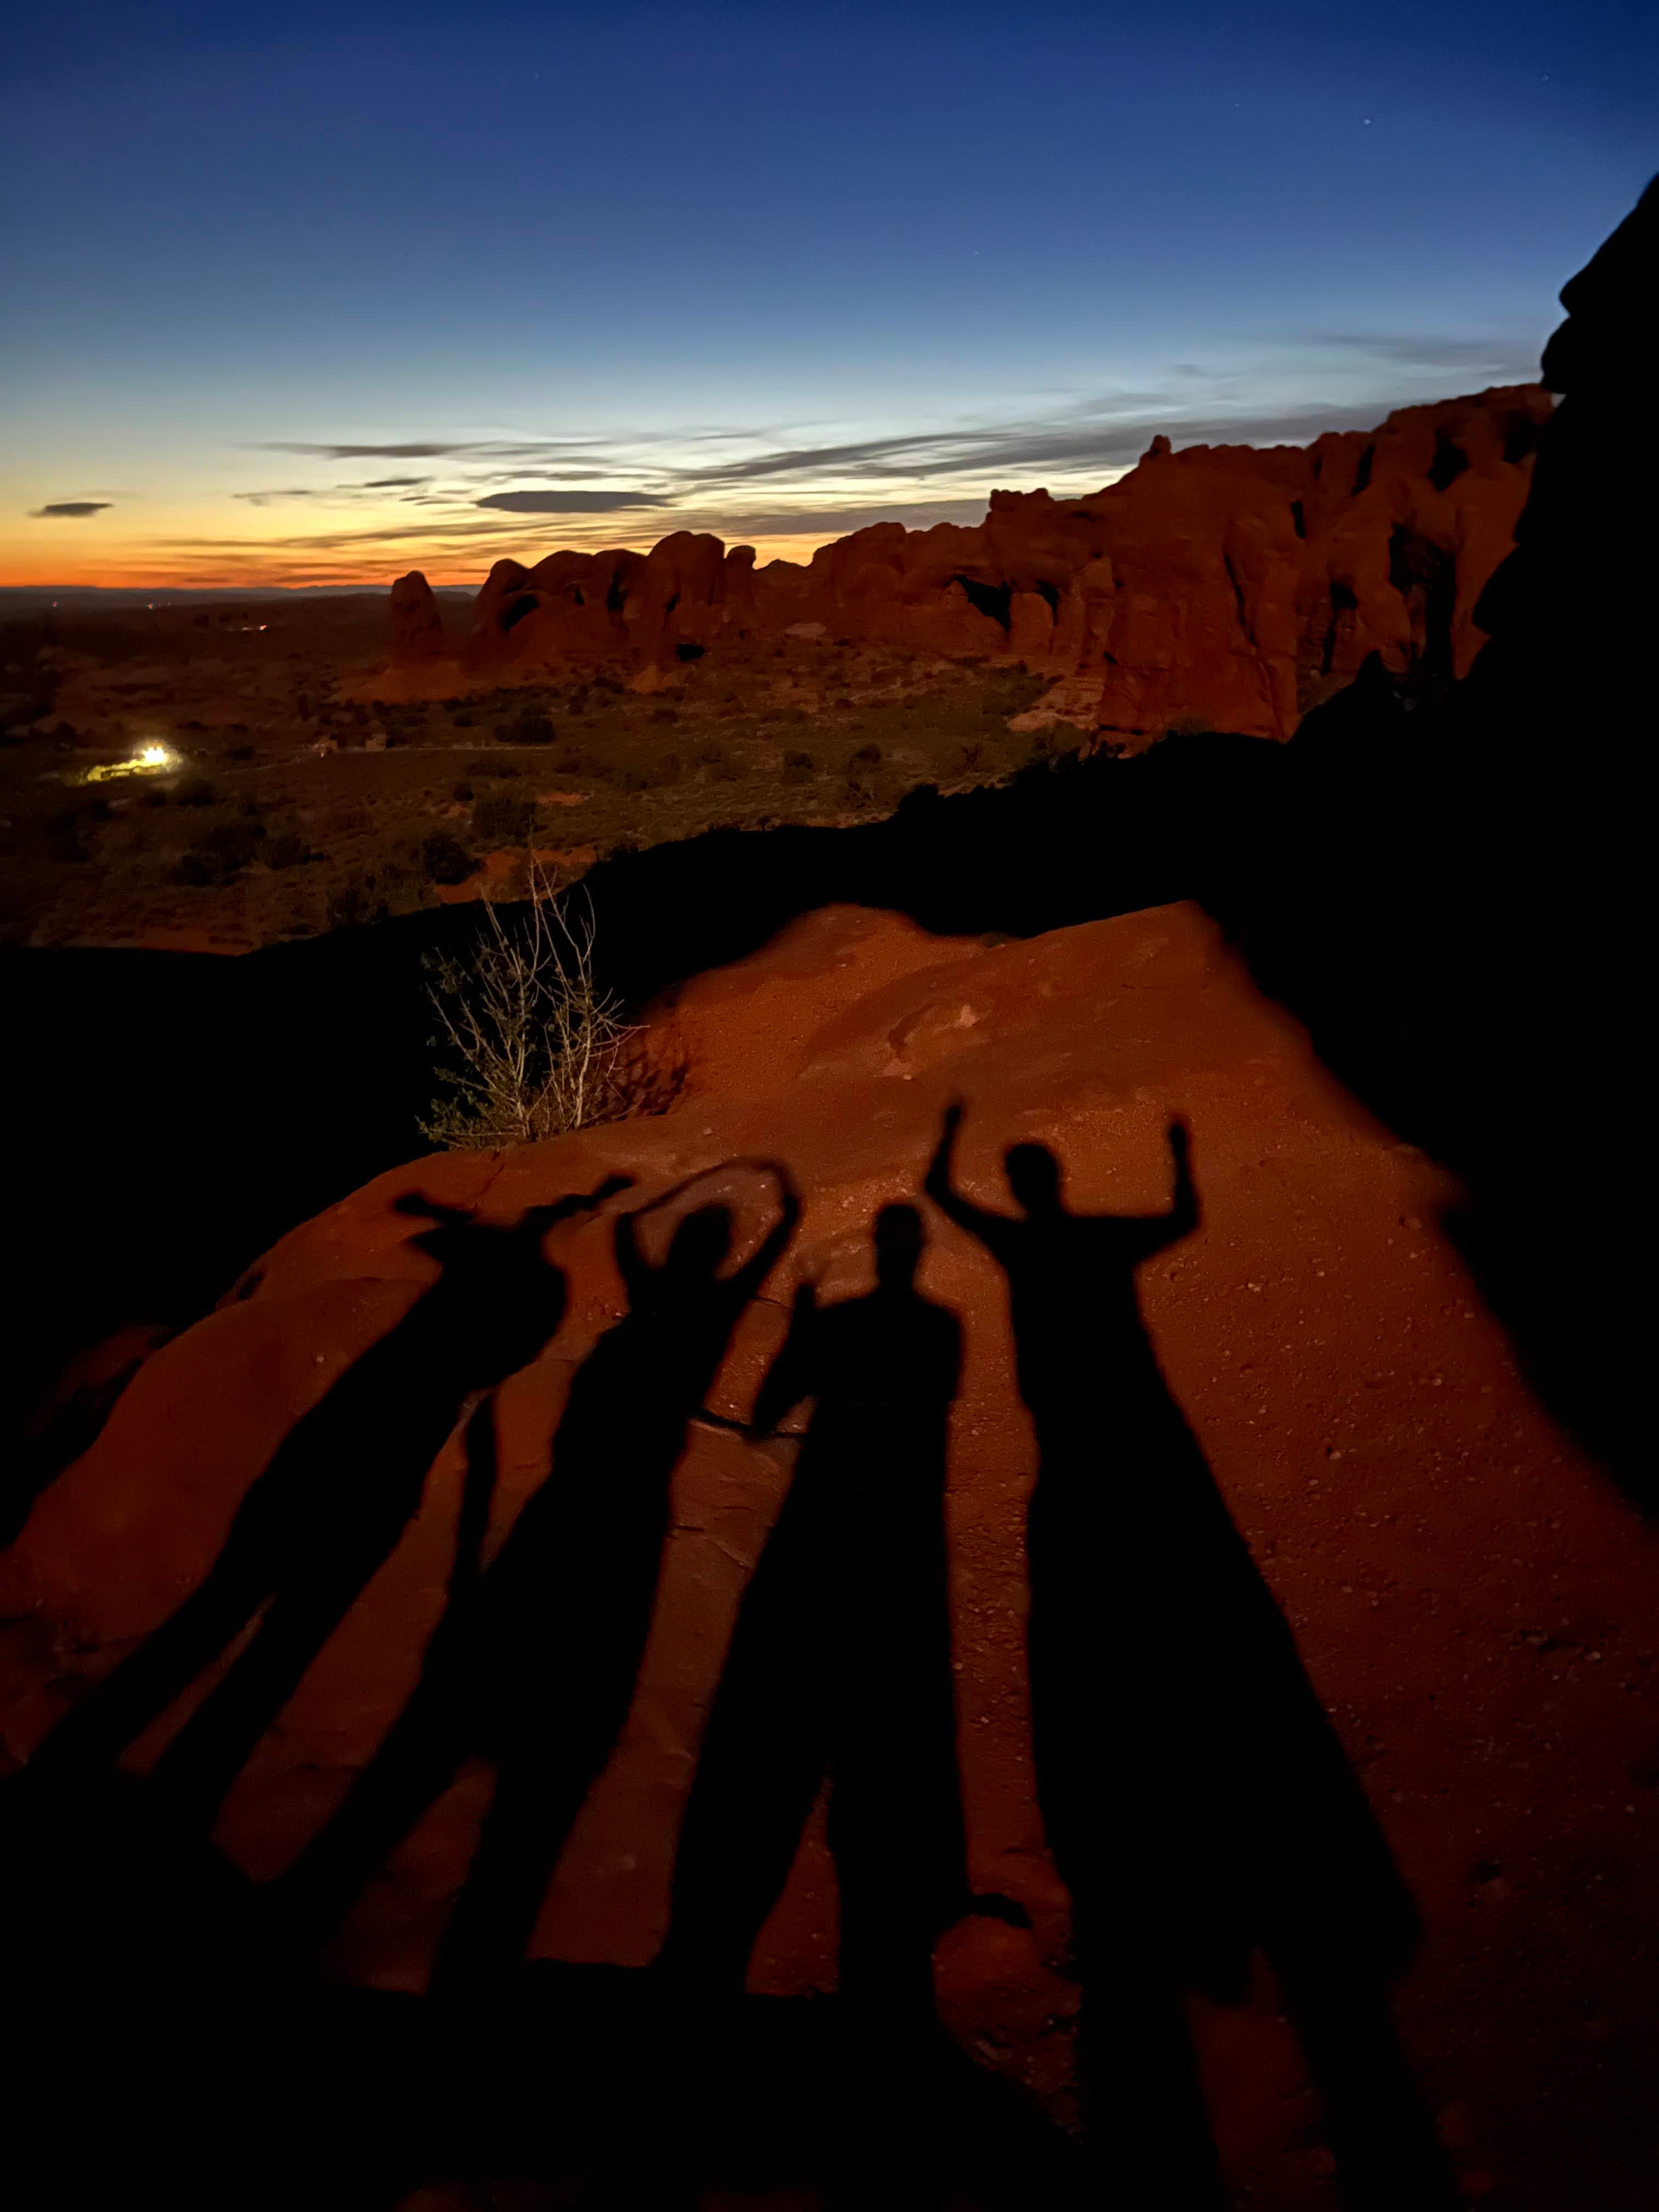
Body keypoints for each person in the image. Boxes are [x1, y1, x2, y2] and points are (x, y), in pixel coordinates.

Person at [924, 1103, 1459, 2211]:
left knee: (1084, 1546)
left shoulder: (1028, 1241)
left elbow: (949, 1204)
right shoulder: (1093, 1234)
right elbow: (1180, 1214)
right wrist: (1171, 1156)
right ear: (1050, 1177)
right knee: (1173, 1533)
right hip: (1135, 1419)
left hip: (1078, 1429)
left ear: (1021, 1184)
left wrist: (945, 1143)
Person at [275, 1163, 802, 2001]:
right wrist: (648, 1201)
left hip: (606, 1511)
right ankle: (382, 1918)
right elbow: (637, 1244)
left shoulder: (706, 1311)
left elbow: (751, 1248)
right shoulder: (667, 1299)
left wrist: (757, 1203)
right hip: (579, 1507)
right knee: (488, 1714)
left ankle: (364, 1918)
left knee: (489, 1721)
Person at [27, 1176, 631, 1829]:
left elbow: (452, 1252)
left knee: (217, 1621)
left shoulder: (430, 1340)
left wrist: (439, 1218)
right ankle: (174, 1797)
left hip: (325, 1466)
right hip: (367, 1483)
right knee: (273, 1648)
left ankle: (78, 1771)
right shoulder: (515, 1316)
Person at [658, 1203, 968, 2028]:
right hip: (898, 1557)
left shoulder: (847, 1327)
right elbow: (920, 1412)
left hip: (822, 1550)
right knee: (881, 1776)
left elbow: (765, 1418)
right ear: (916, 1251)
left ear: (876, 1251)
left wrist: (806, 1346)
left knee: (770, 1759)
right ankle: (883, 2010)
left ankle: (707, 1986)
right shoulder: (945, 1326)